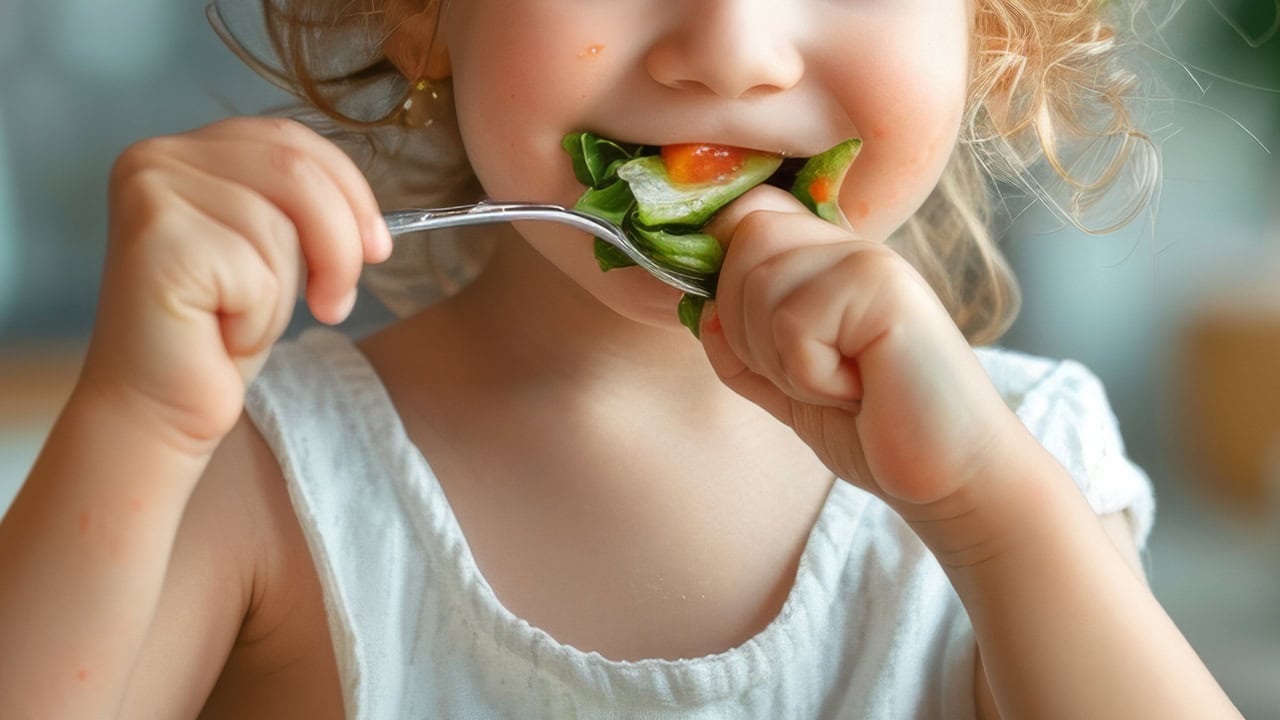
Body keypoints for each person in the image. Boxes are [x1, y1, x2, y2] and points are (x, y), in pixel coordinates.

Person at [0, 0, 1245, 717]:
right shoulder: (256, 476)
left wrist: (988, 515)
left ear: (992, 31)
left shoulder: (1027, 471)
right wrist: (140, 421)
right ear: (426, 12)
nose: (732, 47)